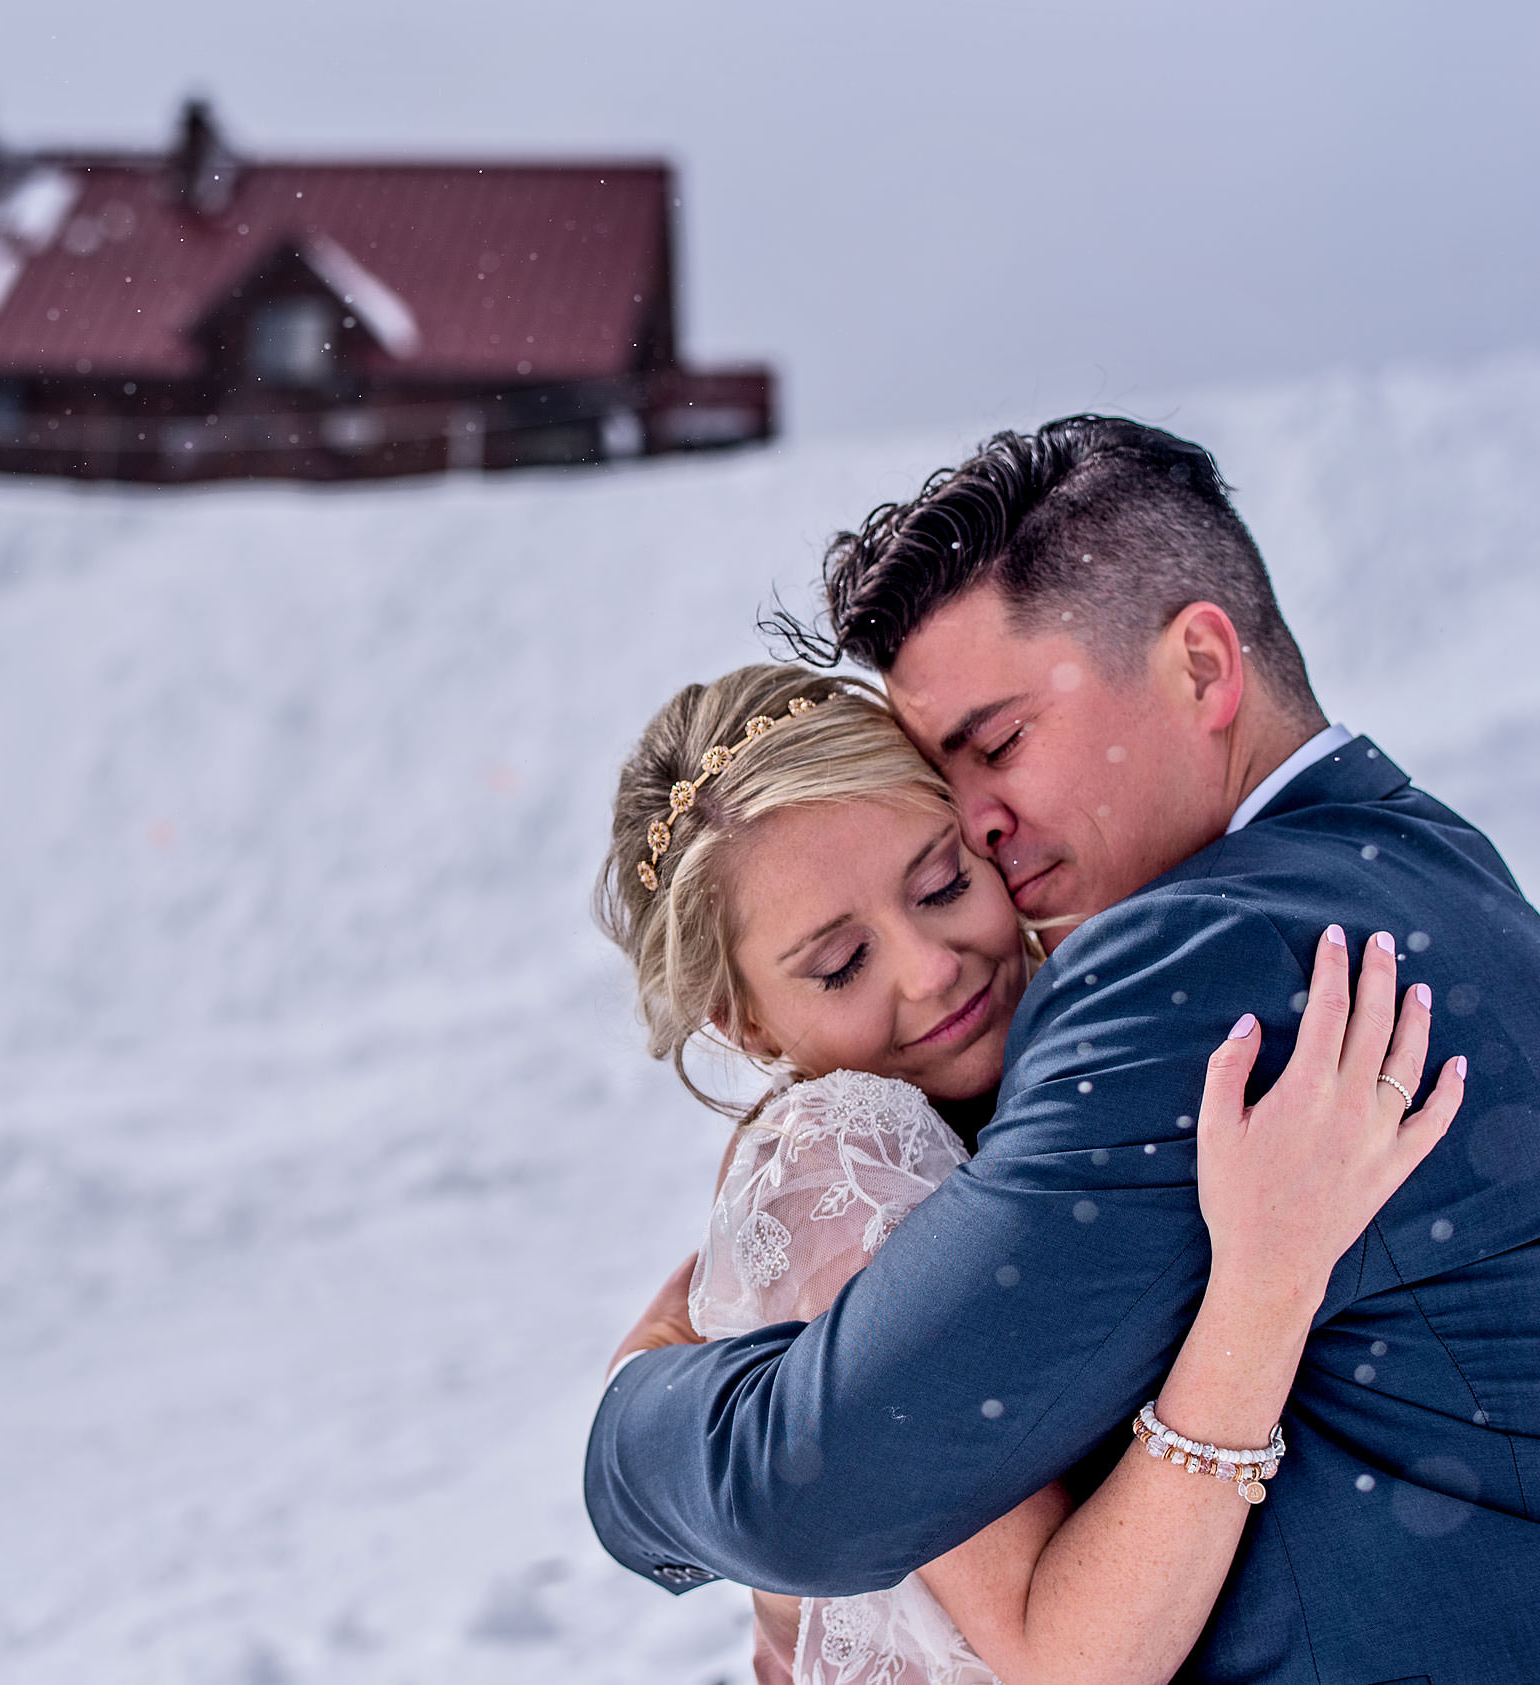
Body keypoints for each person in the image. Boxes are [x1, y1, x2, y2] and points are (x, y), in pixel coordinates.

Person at [586, 417, 1540, 1681]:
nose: (982, 825)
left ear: (1202, 667)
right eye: (945, 772)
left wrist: (629, 1420)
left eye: (999, 742)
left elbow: (809, 1483)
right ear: (744, 1017)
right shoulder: (1431, 859)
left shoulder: (1198, 969)